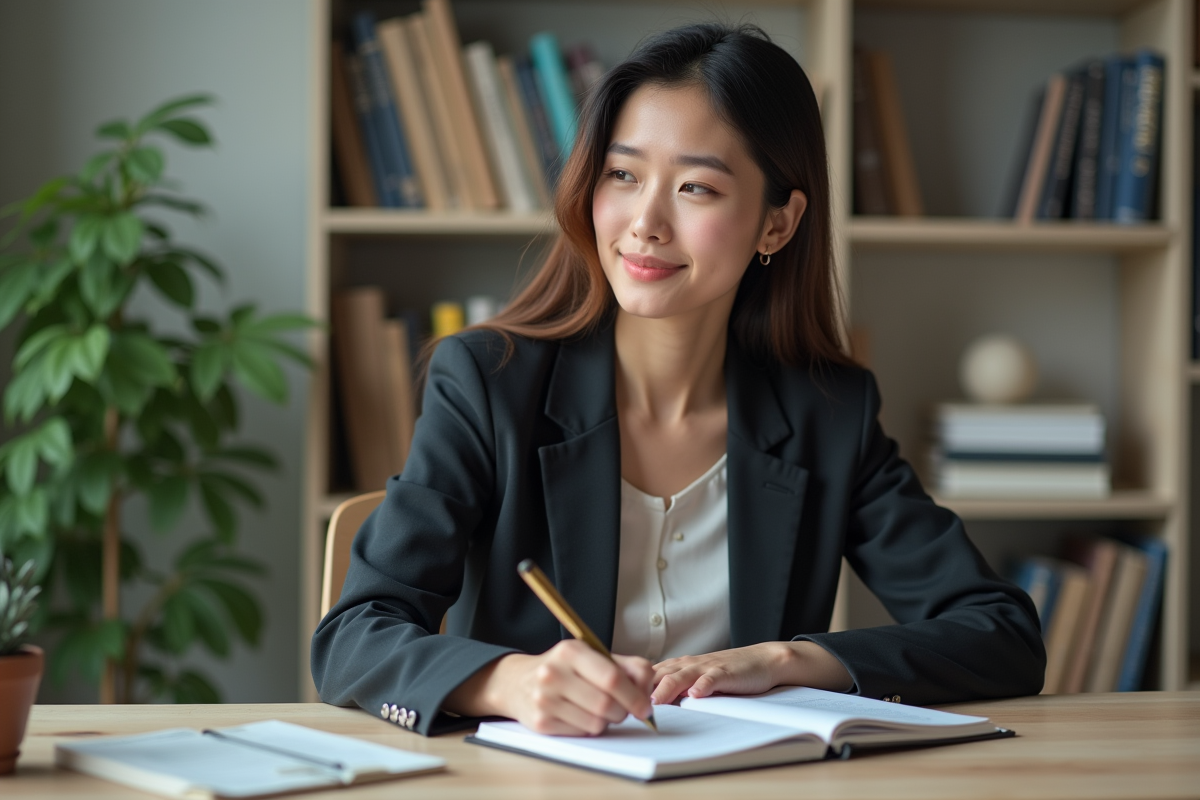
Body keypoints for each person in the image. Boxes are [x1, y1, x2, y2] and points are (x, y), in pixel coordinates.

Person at [311, 23, 1045, 737]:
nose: (644, 223)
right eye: (622, 175)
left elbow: (1001, 633)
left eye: (696, 188)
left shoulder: (827, 413)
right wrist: (507, 682)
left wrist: (792, 660)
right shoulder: (487, 384)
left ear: (777, 226)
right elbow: (353, 638)